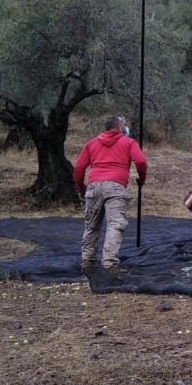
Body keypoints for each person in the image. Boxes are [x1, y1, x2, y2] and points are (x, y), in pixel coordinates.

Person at [73, 115, 148, 273]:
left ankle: (87, 261)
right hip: (116, 186)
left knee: (91, 226)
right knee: (115, 224)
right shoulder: (128, 142)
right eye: (125, 125)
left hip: (94, 187)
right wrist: (142, 178)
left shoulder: (91, 144)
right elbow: (141, 161)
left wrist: (82, 189)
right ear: (120, 128)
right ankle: (109, 263)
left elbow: (79, 168)